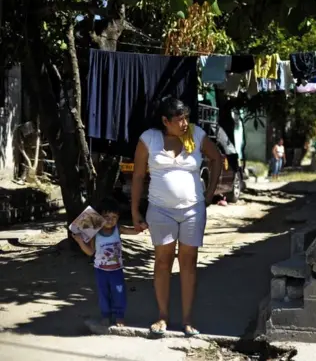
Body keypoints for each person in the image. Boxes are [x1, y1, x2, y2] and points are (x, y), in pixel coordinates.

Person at [130, 97, 223, 337]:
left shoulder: (196, 134)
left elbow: (217, 159)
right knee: (162, 261)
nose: (184, 123)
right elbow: (138, 177)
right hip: (160, 210)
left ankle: (188, 320)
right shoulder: (148, 139)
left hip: (193, 209)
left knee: (189, 263)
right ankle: (162, 316)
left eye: (186, 118)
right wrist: (134, 211)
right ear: (165, 121)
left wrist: (211, 192)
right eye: (179, 119)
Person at [73, 197, 139, 327]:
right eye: (106, 216)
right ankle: (106, 315)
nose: (110, 220)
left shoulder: (118, 229)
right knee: (103, 294)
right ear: (99, 217)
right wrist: (80, 241)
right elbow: (90, 252)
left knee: (119, 293)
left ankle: (119, 315)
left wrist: (141, 226)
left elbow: (135, 231)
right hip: (100, 271)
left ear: (118, 218)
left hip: (117, 271)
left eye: (114, 217)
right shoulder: (95, 233)